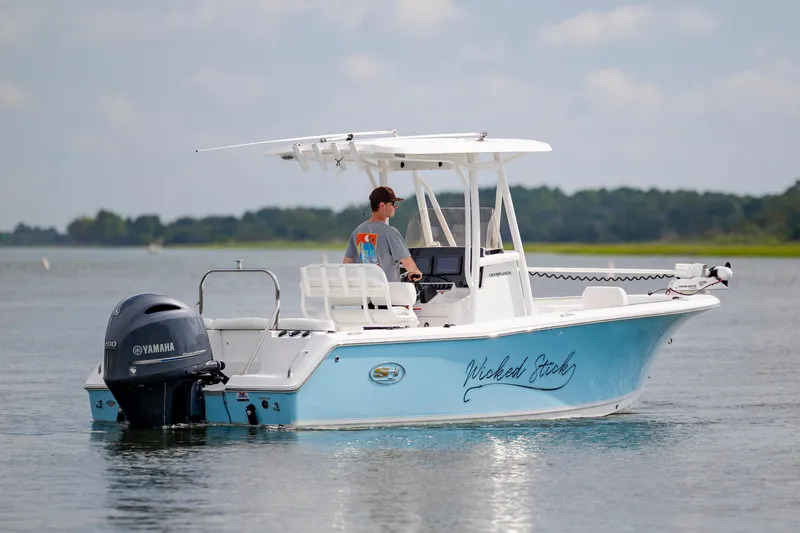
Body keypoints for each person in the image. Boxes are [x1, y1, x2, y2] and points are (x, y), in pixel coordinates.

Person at [343, 186, 423, 283]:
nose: (396, 206)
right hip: (388, 293)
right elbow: (408, 264)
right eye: (393, 203)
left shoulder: (356, 232)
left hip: (365, 292)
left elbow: (347, 263)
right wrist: (415, 271)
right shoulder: (391, 232)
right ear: (382, 205)